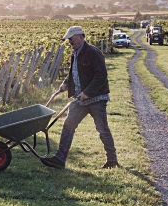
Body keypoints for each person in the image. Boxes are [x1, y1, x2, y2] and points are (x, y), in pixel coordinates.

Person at [40, 26, 118, 169]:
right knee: (68, 125)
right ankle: (60, 159)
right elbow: (74, 72)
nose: (69, 41)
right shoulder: (75, 52)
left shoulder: (93, 53)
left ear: (80, 37)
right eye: (68, 39)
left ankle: (112, 160)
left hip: (96, 98)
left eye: (71, 38)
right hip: (79, 99)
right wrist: (66, 83)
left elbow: (101, 76)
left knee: (102, 129)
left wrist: (87, 93)